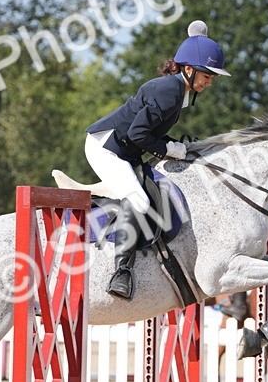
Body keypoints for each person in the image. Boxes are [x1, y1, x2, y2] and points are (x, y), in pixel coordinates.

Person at [84, 19, 229, 299]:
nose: (210, 82)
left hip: (127, 150)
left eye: (212, 77)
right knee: (138, 199)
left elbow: (144, 135)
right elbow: (139, 134)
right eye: (207, 75)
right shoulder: (168, 92)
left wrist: (171, 146)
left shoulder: (177, 91)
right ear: (189, 69)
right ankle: (121, 272)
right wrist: (171, 149)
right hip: (106, 148)